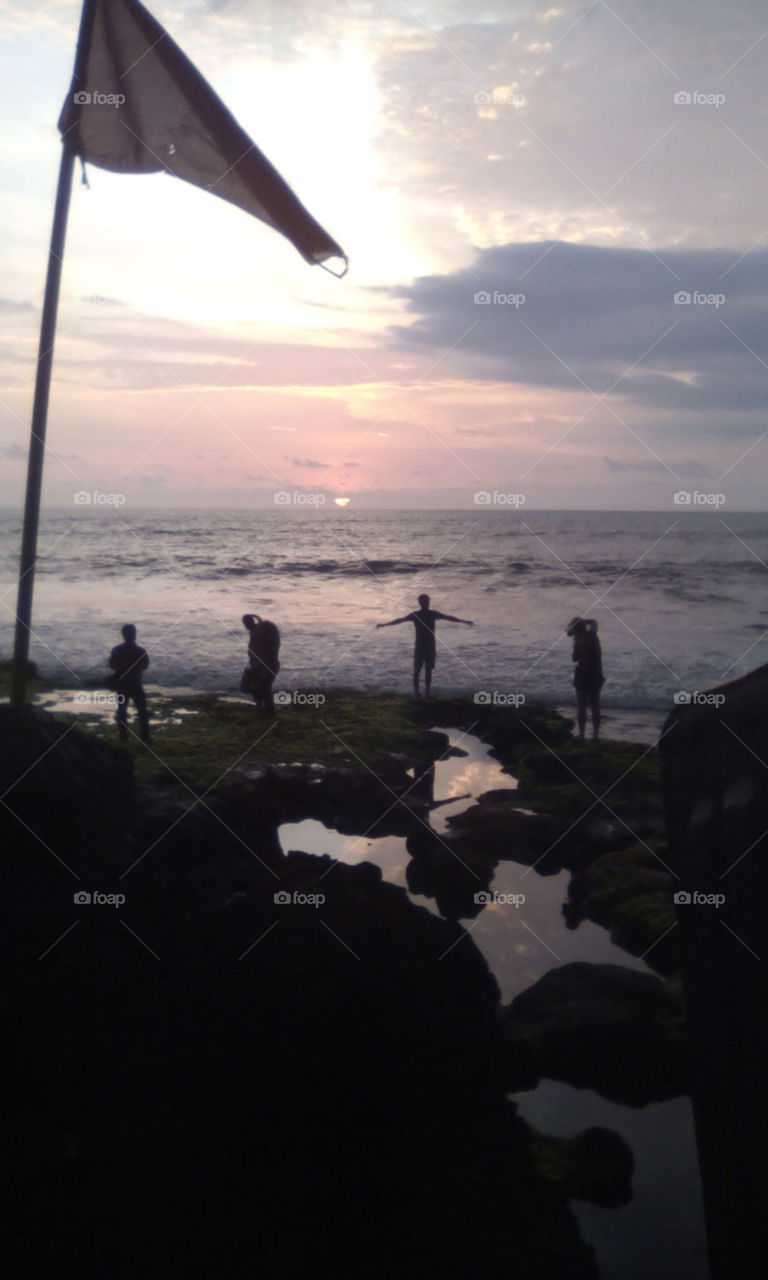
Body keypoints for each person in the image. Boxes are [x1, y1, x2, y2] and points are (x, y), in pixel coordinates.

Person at [377, 594, 473, 698]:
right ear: (420, 603)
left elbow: (449, 618)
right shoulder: (416, 615)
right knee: (417, 669)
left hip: (430, 645)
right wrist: (384, 624)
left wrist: (464, 621)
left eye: (427, 601)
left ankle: (427, 693)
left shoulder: (433, 614)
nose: (426, 603)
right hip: (420, 645)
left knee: (428, 670)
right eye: (424, 601)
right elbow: (399, 620)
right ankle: (417, 693)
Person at [109, 623, 150, 742]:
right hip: (136, 683)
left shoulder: (117, 650)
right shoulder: (140, 650)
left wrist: (122, 669)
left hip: (122, 684)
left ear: (123, 635)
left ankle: (123, 735)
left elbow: (112, 665)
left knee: (122, 710)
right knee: (142, 710)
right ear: (134, 635)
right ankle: (145, 736)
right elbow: (145, 665)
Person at [567, 617, 604, 741]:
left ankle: (582, 734)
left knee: (581, 706)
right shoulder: (593, 635)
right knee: (595, 706)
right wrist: (581, 621)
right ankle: (595, 735)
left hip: (583, 674)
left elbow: (575, 659)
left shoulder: (579, 641)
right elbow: (594, 621)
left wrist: (573, 637)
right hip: (596, 673)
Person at [241, 614, 280, 715]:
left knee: (263, 687)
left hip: (264, 664)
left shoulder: (257, 632)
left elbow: (256, 650)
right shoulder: (260, 630)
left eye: (245, 623)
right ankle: (264, 709)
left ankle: (267, 710)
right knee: (263, 687)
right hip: (271, 663)